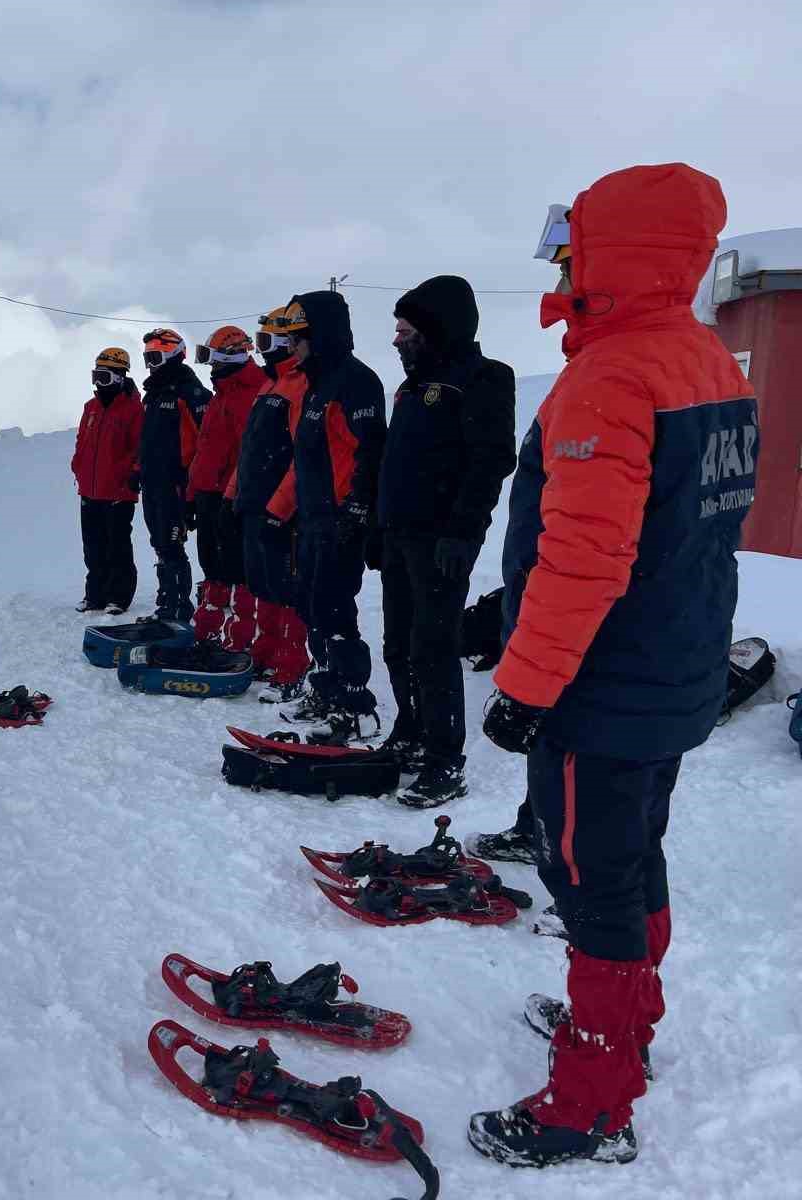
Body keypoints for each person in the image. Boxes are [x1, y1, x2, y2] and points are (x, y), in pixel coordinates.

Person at [468, 163, 758, 1168]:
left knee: (588, 875)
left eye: (573, 250)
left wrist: (524, 686)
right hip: (673, 668)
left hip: (605, 685)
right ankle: (625, 1024)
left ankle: (589, 1102)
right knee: (632, 857)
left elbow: (586, 557)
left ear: (613, 256)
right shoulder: (705, 361)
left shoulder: (613, 376)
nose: (560, 268)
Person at [375, 276, 516, 807]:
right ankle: (410, 732)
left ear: (435, 329)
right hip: (400, 535)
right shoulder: (412, 387)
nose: (396, 340)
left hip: (441, 542)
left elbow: (491, 461)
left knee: (433, 650)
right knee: (397, 643)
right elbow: (395, 464)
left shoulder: (483, 378)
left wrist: (463, 531)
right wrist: (378, 527)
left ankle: (444, 761)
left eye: (405, 331)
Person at [275, 292, 386, 741]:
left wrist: (357, 509)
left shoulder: (355, 382)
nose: (291, 348)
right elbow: (308, 457)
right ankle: (325, 689)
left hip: (342, 519)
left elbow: (371, 451)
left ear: (321, 336)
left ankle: (355, 706)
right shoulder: (315, 386)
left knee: (336, 610)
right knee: (312, 606)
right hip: (313, 516)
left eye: (298, 338)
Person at [229, 307, 310, 693]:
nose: (261, 350)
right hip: (255, 501)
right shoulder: (271, 384)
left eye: (265, 340)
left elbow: (302, 455)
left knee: (286, 586)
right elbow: (250, 448)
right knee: (261, 582)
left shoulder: (302, 383)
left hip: (283, 508)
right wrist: (233, 493)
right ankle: (265, 652)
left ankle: (291, 663)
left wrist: (281, 506)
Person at [188, 326, 266, 640]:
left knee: (237, 570)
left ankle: (241, 636)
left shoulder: (252, 392)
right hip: (208, 493)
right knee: (212, 565)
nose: (211, 366)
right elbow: (203, 451)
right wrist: (192, 495)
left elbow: (249, 453)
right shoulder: (220, 395)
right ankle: (209, 630)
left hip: (231, 496)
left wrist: (235, 496)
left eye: (215, 359)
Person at [137, 328, 211, 622]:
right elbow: (146, 440)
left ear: (173, 356)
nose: (150, 365)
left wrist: (192, 486)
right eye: (147, 359)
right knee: (160, 543)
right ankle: (167, 601)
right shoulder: (152, 396)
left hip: (176, 483)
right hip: (153, 481)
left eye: (155, 358)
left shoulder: (189, 394)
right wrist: (138, 470)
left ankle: (179, 606)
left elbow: (205, 442)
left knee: (172, 543)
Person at [71, 347, 143, 614]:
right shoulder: (90, 408)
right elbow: (82, 441)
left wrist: (133, 473)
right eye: (96, 376)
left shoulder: (134, 410)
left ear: (120, 377)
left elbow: (140, 447)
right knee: (93, 547)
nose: (99, 383)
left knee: (117, 547)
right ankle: (95, 595)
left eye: (105, 377)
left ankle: (118, 597)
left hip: (118, 491)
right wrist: (78, 465)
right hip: (90, 489)